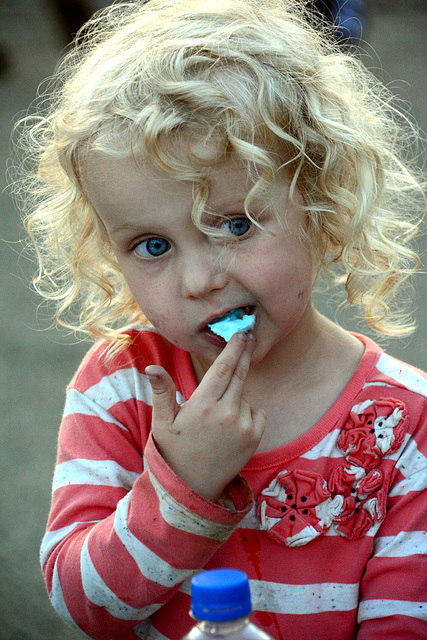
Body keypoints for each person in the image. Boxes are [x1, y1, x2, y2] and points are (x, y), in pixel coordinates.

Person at [14, 0, 427, 638]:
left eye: (234, 224)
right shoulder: (123, 386)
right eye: (152, 246)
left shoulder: (408, 423)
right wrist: (182, 485)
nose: (199, 279)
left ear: (318, 199)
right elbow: (85, 605)